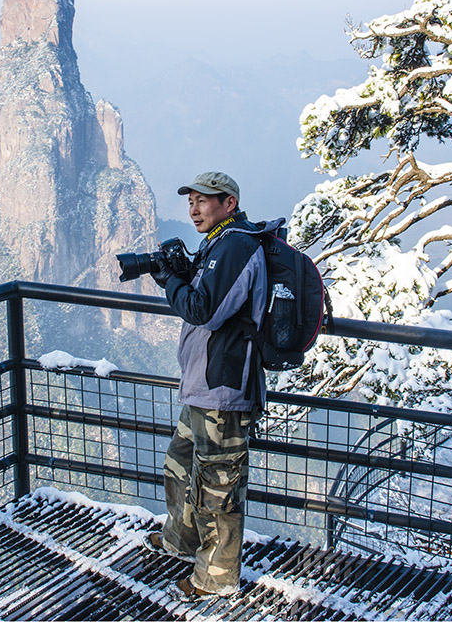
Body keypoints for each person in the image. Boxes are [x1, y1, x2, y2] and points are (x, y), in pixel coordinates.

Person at [145, 171, 267, 601]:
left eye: (204, 200)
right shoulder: (218, 244)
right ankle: (182, 539)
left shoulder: (236, 245)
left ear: (229, 203)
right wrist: (181, 272)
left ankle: (215, 577)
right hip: (201, 386)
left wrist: (170, 281)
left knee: (218, 488)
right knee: (181, 465)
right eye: (190, 201)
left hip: (224, 391)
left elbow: (203, 309)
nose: (194, 209)